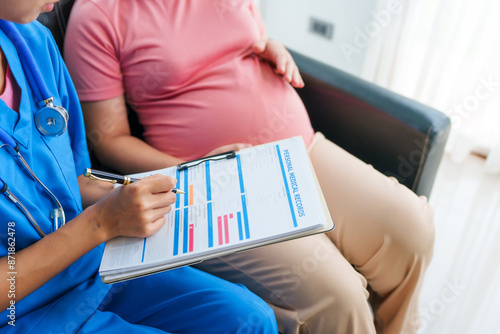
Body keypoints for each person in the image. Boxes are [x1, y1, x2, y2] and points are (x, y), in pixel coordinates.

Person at [64, 0, 436, 333]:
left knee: (412, 230)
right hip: (211, 185)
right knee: (339, 296)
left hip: (297, 149)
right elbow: (107, 139)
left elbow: (245, 39)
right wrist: (196, 166)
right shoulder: (99, 14)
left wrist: (270, 46)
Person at [0, 1, 279, 333]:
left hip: (90, 267)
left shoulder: (34, 44)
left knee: (251, 320)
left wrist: (189, 175)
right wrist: (100, 224)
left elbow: (72, 181)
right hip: (22, 313)